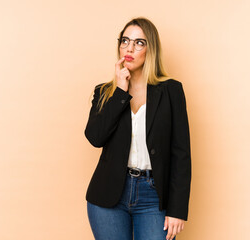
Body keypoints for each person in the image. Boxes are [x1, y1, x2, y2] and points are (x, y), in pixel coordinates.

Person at [84, 17, 191, 240]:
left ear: (150, 49)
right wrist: (120, 93)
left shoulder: (171, 91)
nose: (129, 48)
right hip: (109, 195)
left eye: (139, 42)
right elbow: (95, 137)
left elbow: (181, 153)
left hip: (153, 195)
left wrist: (177, 210)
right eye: (125, 41)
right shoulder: (105, 92)